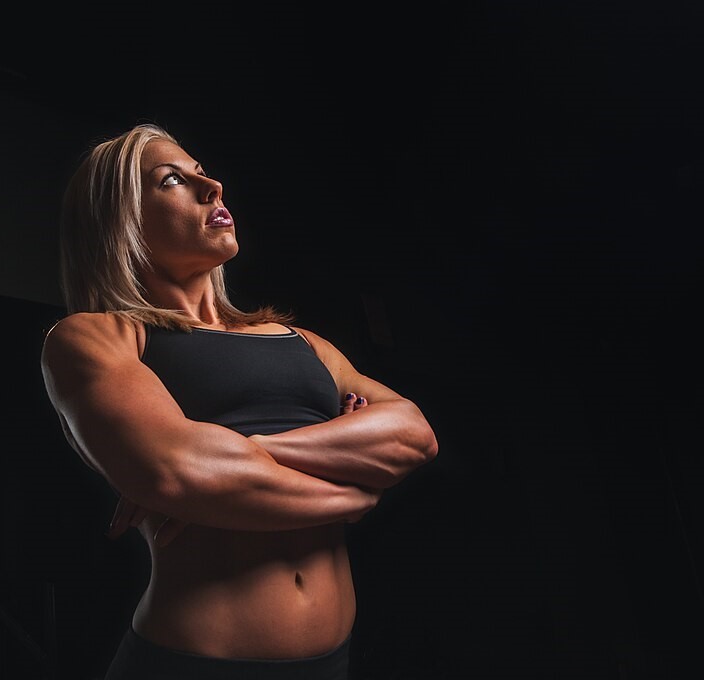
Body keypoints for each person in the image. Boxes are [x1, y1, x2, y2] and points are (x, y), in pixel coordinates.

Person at [40, 122, 439, 680]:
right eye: (174, 180)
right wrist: (356, 494)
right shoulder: (97, 335)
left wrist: (244, 451)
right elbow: (174, 472)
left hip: (332, 663)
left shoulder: (300, 342)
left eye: (204, 173)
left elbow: (413, 435)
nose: (213, 188)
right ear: (120, 219)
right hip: (192, 663)